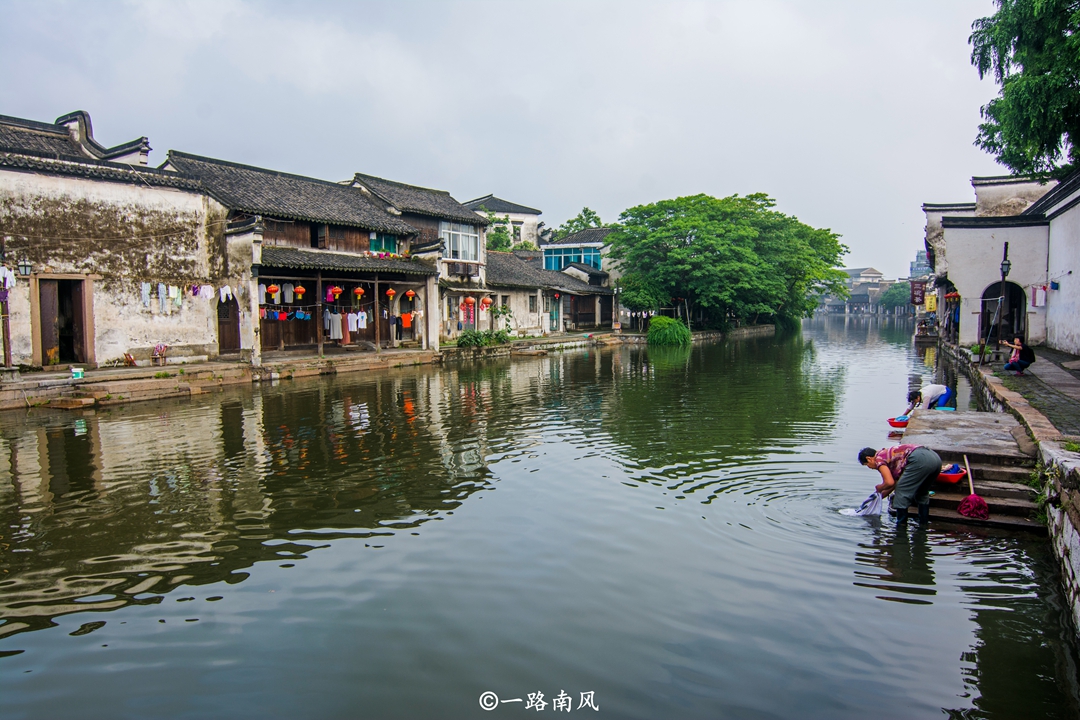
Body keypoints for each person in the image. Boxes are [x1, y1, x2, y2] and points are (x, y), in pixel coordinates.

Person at [858, 444, 944, 525]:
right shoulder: (888, 455)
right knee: (921, 492)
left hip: (919, 460)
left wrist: (880, 487)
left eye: (867, 465)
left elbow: (889, 482)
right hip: (934, 458)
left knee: (901, 492)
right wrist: (877, 497)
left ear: (869, 459)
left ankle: (901, 527)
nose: (870, 468)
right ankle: (923, 523)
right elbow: (894, 483)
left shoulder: (878, 459)